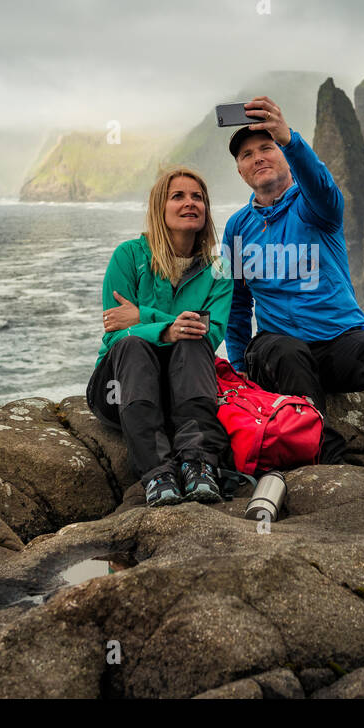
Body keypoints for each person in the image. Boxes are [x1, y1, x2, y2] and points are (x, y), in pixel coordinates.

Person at [221, 96, 364, 484]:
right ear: (240, 170)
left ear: (283, 154)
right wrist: (237, 371)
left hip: (338, 343)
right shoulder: (236, 228)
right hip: (277, 351)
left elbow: (320, 184)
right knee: (287, 349)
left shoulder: (316, 207)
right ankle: (330, 467)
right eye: (247, 154)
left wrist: (290, 138)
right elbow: (236, 306)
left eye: (267, 147)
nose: (258, 157)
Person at [86, 166, 233, 507]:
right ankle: (158, 475)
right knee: (132, 345)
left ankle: (199, 466)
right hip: (120, 391)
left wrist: (145, 317)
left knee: (193, 341)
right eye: (177, 196)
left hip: (182, 391)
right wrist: (167, 328)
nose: (190, 203)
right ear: (159, 207)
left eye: (198, 197)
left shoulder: (219, 270)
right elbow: (114, 333)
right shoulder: (129, 256)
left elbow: (209, 334)